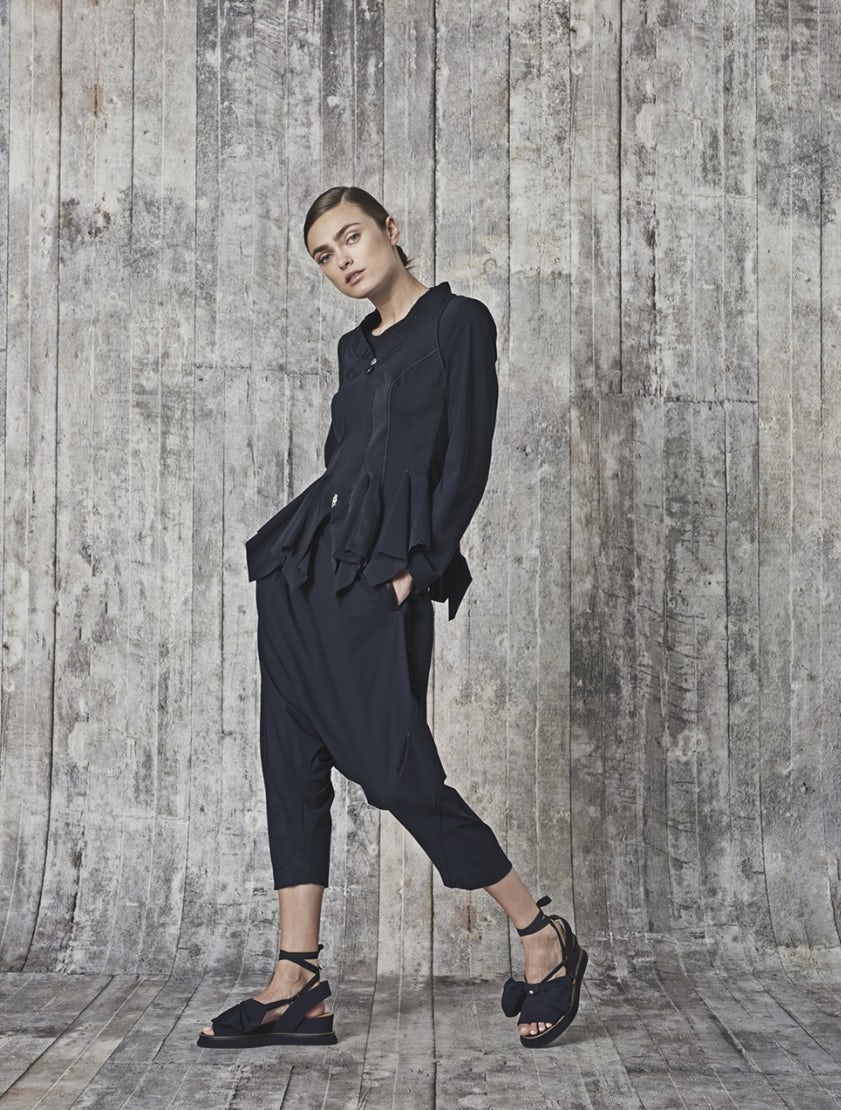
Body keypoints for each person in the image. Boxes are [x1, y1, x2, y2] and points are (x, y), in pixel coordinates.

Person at [198, 186, 587, 1051]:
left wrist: (413, 577)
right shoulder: (354, 349)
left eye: (351, 237)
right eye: (324, 254)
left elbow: (467, 462)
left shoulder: (459, 324)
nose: (342, 259)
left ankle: (541, 934)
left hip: (379, 583)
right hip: (304, 575)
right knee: (290, 762)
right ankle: (296, 980)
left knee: (398, 773)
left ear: (390, 231)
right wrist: (301, 568)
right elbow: (347, 464)